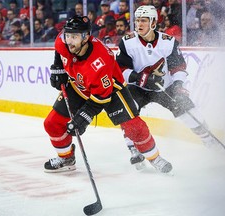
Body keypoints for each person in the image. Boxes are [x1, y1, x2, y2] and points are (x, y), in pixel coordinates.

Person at [43, 15, 172, 173]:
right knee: (52, 123)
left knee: (134, 127)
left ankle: (155, 158)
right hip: (79, 85)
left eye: (74, 36)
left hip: (111, 88)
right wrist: (58, 68)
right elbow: (59, 50)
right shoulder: (64, 40)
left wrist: (84, 117)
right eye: (67, 35)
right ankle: (66, 158)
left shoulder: (100, 61)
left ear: (86, 37)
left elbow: (101, 97)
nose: (69, 40)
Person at [116, 5, 217, 167]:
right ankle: (133, 148)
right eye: (137, 21)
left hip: (165, 87)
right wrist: (140, 78)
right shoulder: (127, 43)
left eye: (143, 20)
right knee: (127, 109)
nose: (138, 24)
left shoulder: (168, 42)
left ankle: (208, 139)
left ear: (153, 23)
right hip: (138, 87)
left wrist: (177, 86)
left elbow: (178, 68)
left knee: (186, 109)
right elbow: (120, 69)